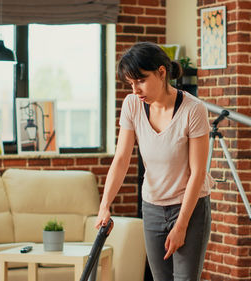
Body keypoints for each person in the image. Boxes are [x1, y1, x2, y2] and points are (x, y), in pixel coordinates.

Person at [95, 41, 214, 281]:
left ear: (162, 72)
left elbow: (198, 172)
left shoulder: (194, 110)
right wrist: (105, 204)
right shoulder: (132, 105)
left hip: (189, 207)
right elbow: (121, 159)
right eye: (130, 83)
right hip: (152, 207)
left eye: (140, 81)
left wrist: (181, 225)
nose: (135, 90)